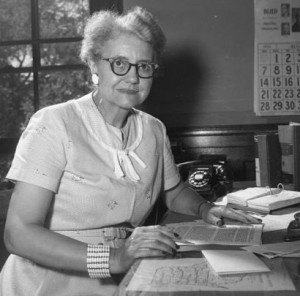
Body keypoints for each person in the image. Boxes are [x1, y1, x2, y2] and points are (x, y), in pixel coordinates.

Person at [0, 6, 260, 296]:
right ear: (93, 64)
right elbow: (18, 233)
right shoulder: (54, 123)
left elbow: (171, 192)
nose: (133, 77)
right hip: (46, 281)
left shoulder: (153, 129)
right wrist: (114, 258)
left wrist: (205, 209)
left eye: (144, 66)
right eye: (119, 63)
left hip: (127, 272)